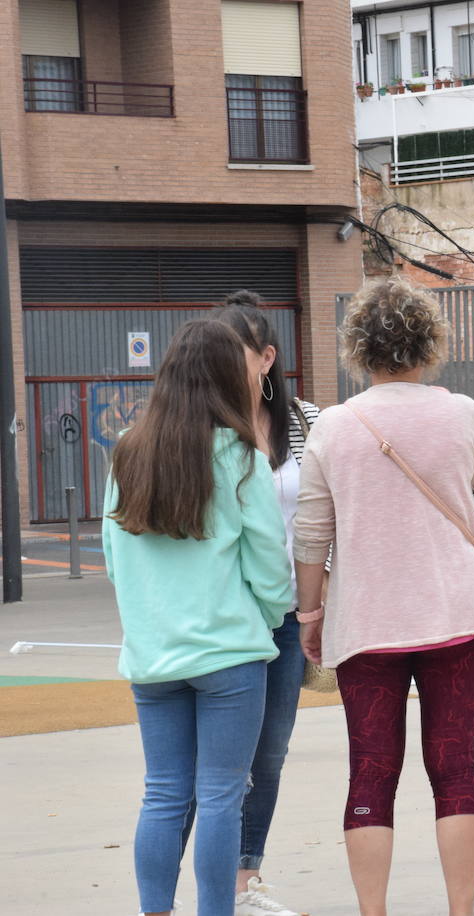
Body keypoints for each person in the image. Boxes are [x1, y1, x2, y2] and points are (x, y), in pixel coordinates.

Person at [294, 278, 474, 916]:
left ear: (358, 350)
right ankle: (461, 910)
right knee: (455, 769)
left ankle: (373, 912)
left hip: (367, 619)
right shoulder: (460, 411)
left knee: (371, 769)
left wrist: (312, 616)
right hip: (455, 614)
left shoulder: (334, 427)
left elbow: (311, 533)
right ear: (430, 343)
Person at [103, 319, 295, 916]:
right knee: (219, 798)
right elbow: (269, 569)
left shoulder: (128, 452)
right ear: (222, 376)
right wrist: (265, 617)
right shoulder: (240, 455)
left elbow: (115, 562)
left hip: (153, 656)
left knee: (162, 795)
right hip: (231, 656)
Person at [212, 293, 318, 916]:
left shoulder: (306, 423)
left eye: (239, 353)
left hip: (286, 615)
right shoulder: (199, 424)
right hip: (226, 615)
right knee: (216, 763)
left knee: (268, 753)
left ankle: (245, 878)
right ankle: (196, 875)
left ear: (267, 357)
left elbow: (326, 512)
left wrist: (317, 597)